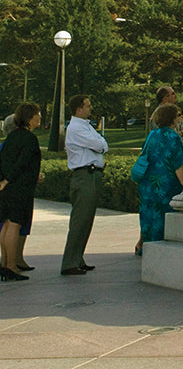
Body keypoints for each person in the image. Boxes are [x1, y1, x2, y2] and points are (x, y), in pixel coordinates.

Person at [60, 94, 108, 276]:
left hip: (92, 174)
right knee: (80, 220)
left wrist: (101, 145)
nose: (90, 108)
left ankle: (77, 258)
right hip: (84, 175)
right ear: (79, 109)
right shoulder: (76, 129)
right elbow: (99, 144)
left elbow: (103, 144)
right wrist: (100, 145)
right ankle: (69, 262)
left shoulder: (86, 126)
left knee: (86, 219)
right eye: (87, 106)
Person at [134, 103, 183, 248]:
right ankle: (160, 249)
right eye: (178, 115)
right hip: (167, 184)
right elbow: (178, 163)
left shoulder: (152, 135)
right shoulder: (173, 137)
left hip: (149, 183)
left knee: (149, 216)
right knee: (164, 216)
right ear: (172, 119)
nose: (181, 119)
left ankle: (147, 247)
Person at [0, 103, 43, 281]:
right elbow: (22, 163)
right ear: (29, 117)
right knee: (15, 225)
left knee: (7, 225)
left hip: (9, 188)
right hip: (19, 187)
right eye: (37, 114)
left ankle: (5, 264)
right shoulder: (29, 138)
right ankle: (11, 266)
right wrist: (8, 180)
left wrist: (4, 181)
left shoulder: (12, 137)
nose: (40, 117)